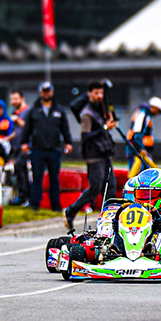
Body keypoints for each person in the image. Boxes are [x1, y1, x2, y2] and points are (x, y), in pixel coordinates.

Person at [65, 81, 117, 231]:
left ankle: (109, 219)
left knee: (110, 188)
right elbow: (86, 136)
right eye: (96, 93)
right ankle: (71, 210)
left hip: (105, 154)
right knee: (95, 188)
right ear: (89, 94)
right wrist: (105, 127)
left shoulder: (100, 110)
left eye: (101, 93)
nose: (99, 96)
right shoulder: (87, 113)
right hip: (94, 156)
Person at [19, 81, 73, 211]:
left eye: (48, 91)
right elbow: (27, 128)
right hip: (38, 149)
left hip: (54, 149)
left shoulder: (59, 110)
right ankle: (35, 204)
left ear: (52, 92)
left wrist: (68, 142)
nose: (46, 94)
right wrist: (24, 142)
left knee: (54, 178)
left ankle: (55, 205)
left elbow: (65, 128)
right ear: (40, 93)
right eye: (44, 91)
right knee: (37, 177)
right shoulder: (33, 111)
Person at [126, 96, 161, 176]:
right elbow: (137, 132)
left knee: (146, 172)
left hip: (139, 149)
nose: (157, 113)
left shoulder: (145, 114)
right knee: (136, 174)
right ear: (154, 108)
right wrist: (141, 148)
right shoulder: (143, 114)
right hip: (136, 149)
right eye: (158, 111)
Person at [8, 89, 30, 205]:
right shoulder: (15, 113)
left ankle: (24, 195)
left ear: (22, 99)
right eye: (12, 99)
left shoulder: (28, 112)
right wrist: (5, 140)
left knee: (20, 166)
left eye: (16, 99)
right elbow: (16, 131)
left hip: (27, 145)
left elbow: (30, 127)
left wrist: (18, 120)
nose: (14, 102)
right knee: (19, 170)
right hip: (17, 146)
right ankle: (23, 195)